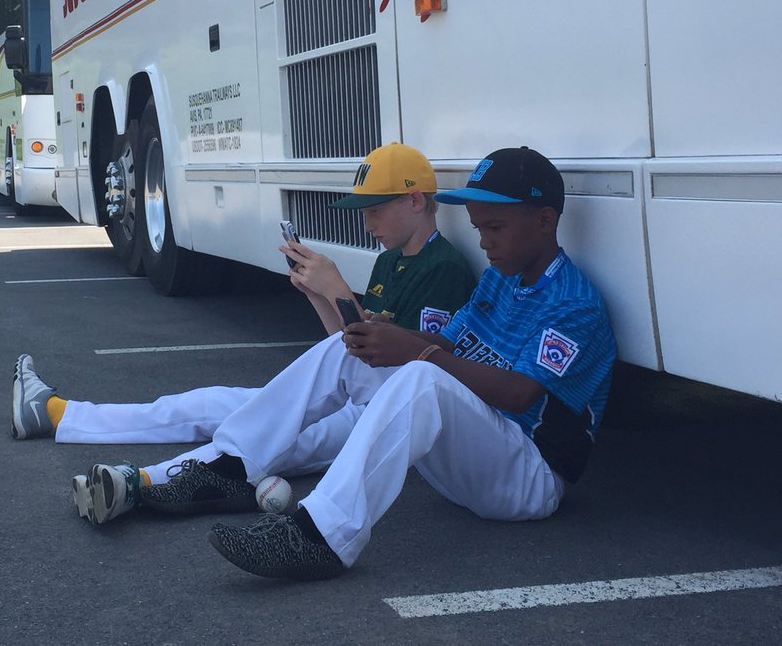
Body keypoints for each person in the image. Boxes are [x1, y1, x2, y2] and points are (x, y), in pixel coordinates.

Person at [128, 146, 616, 582]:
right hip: (479, 457)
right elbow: (444, 342)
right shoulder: (500, 279)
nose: (485, 242)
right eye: (478, 229)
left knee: (423, 373)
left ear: (546, 220)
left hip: (529, 476)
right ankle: (231, 465)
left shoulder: (574, 303)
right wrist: (386, 338)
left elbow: (517, 394)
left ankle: (321, 537)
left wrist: (413, 351)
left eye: (495, 228)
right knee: (353, 346)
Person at [10, 142, 477, 524]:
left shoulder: (444, 269)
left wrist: (335, 285)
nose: (366, 222)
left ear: (415, 201)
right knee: (211, 403)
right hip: (355, 391)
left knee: (271, 441)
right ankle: (58, 413)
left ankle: (140, 482)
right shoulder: (390, 260)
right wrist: (316, 291)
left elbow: (402, 366)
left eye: (374, 210)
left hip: (382, 412)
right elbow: (347, 347)